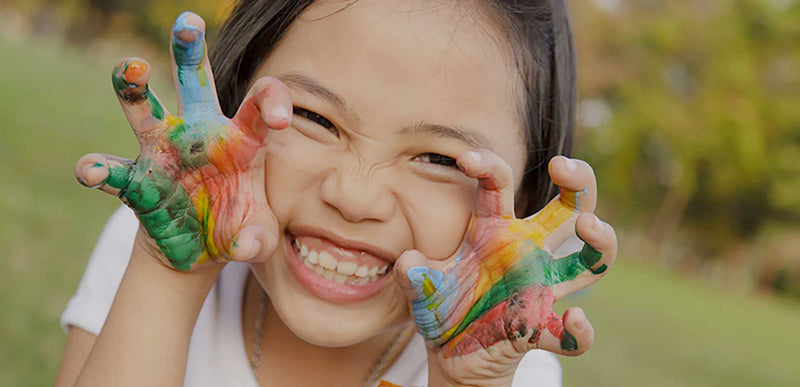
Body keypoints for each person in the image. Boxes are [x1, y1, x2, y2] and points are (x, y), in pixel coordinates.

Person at [56, 1, 618, 386]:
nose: (355, 197)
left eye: (441, 159)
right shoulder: (156, 243)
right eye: (314, 118)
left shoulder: (508, 361)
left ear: (528, 194)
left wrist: (463, 383)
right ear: (233, 100)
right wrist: (168, 278)